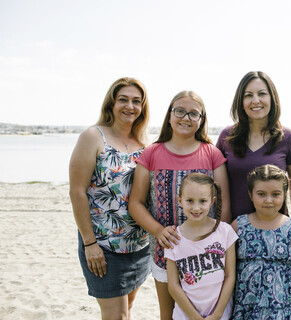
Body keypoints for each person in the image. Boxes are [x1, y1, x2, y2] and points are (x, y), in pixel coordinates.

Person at [128, 90, 230, 320]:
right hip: (166, 251)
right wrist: (158, 231)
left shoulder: (212, 154)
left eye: (194, 113)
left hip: (206, 256)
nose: (186, 117)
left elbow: (224, 207)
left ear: (202, 119)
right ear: (169, 115)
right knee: (169, 315)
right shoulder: (152, 153)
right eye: (180, 111)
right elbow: (135, 203)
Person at [69, 77, 151, 319]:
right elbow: (76, 192)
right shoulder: (93, 137)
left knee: (128, 309)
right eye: (123, 99)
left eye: (137, 101)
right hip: (103, 248)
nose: (130, 106)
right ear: (111, 104)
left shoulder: (145, 143)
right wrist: (89, 244)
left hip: (139, 246)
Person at [216, 71, 291, 220]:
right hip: (232, 231)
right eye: (248, 95)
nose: (255, 100)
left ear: (272, 98)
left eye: (262, 94)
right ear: (241, 102)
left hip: (276, 232)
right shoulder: (226, 136)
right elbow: (216, 188)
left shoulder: (289, 138)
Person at [231, 164, 291, 320]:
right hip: (245, 309)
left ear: (284, 195)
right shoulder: (238, 226)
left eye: (275, 194)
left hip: (282, 310)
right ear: (250, 194)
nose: (268, 200)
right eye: (261, 194)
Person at [165, 173, 238, 319]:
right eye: (190, 201)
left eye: (202, 201)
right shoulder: (173, 238)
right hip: (186, 316)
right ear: (180, 201)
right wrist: (195, 317)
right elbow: (173, 285)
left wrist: (217, 314)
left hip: (220, 315)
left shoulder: (225, 232)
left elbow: (230, 276)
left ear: (212, 201)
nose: (196, 207)